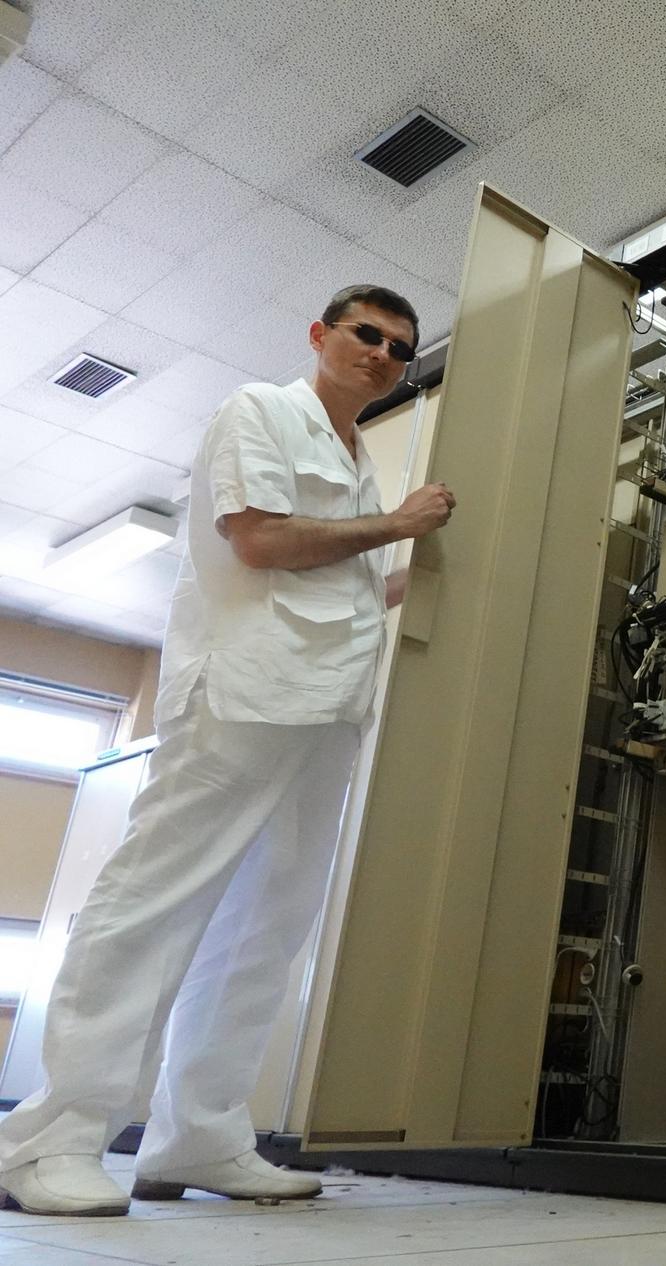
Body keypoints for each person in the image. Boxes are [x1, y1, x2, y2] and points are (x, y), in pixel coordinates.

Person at [0, 285, 457, 1216]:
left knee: (268, 927)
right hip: (245, 693)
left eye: (401, 348)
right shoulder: (261, 411)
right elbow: (260, 540)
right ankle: (49, 1141)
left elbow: (347, 583)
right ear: (320, 335)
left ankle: (199, 1137)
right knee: (156, 904)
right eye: (367, 335)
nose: (383, 354)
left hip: (327, 707)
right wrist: (399, 525)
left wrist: (432, 571)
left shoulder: (356, 459)